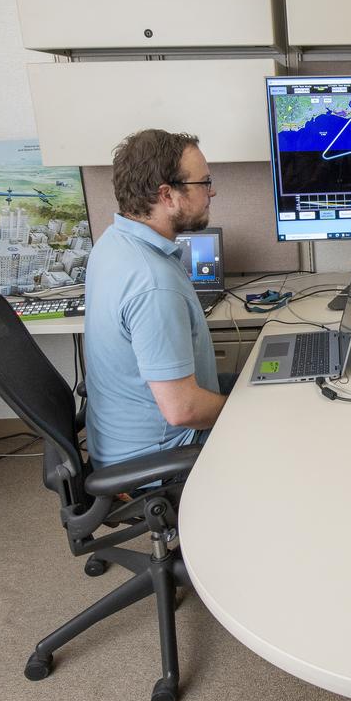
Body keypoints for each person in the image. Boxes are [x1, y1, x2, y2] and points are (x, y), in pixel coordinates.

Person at [84, 128, 231, 468]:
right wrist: (244, 411)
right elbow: (183, 411)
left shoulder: (113, 243)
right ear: (167, 195)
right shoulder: (152, 283)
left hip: (120, 440)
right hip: (163, 455)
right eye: (203, 183)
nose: (212, 191)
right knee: (286, 424)